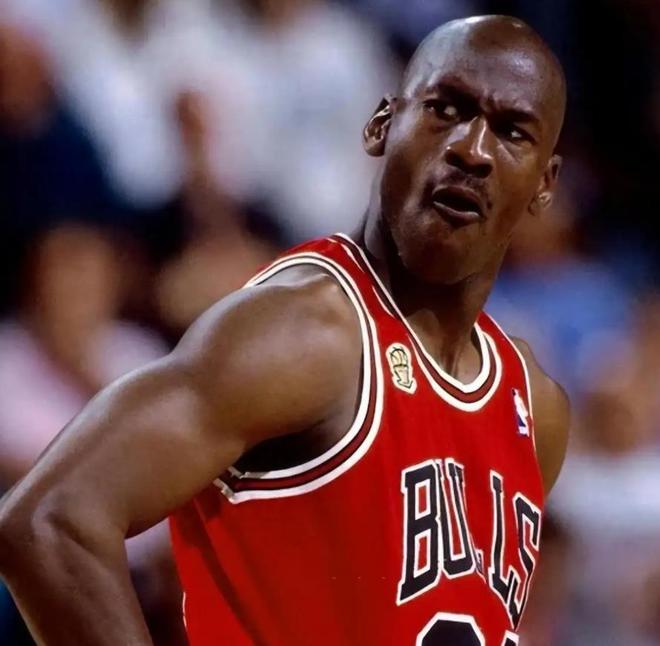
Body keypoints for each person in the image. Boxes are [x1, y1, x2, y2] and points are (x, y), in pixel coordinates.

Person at [0, 15, 570, 645]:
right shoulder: (305, 328)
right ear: (381, 124)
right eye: (445, 109)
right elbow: (49, 520)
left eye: (512, 132)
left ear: (545, 184)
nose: (472, 149)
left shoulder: (534, 406)